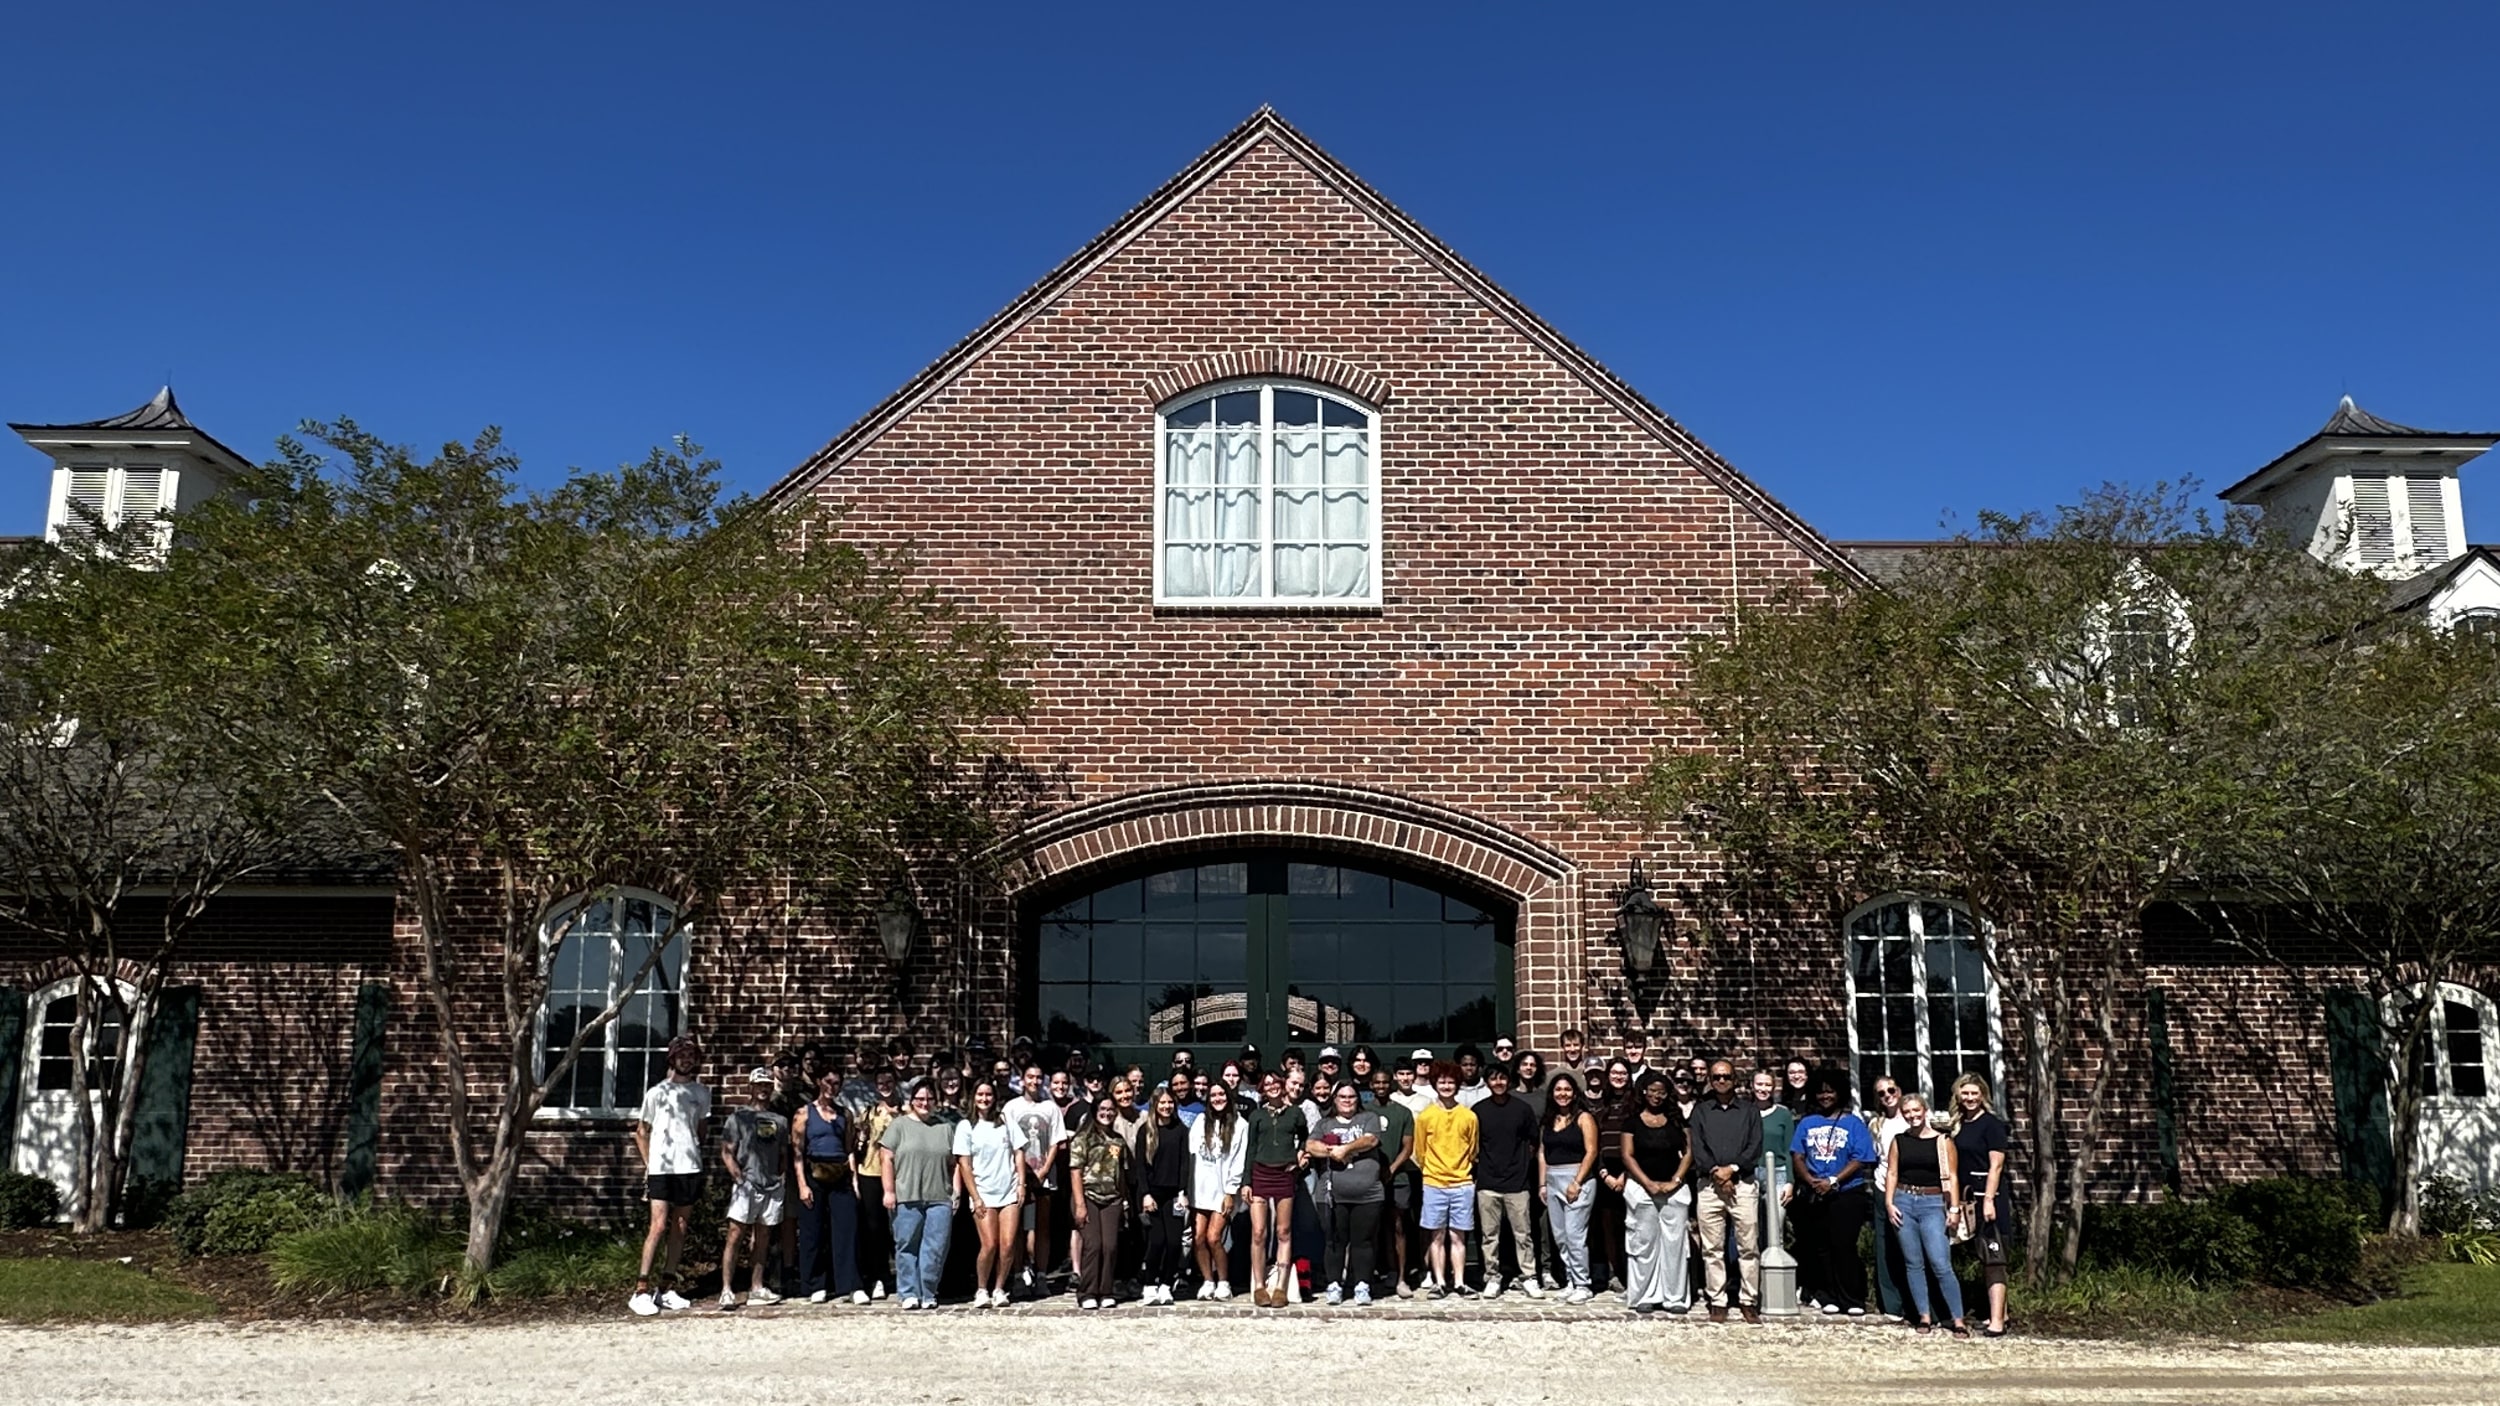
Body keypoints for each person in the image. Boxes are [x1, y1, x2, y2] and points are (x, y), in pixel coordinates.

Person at [630, 1035, 710, 1316]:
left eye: (691, 1056)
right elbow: (641, 1132)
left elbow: (701, 1130)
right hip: (662, 1169)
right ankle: (640, 1289)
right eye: (682, 1055)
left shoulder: (701, 1093)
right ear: (672, 1059)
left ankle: (666, 1287)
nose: (687, 1060)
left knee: (680, 1227)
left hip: (689, 1166)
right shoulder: (657, 1093)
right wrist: (650, 1165)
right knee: (659, 1226)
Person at [1789, 1067, 1875, 1317]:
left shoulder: (1854, 1123)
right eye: (1821, 1092)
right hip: (1815, 1192)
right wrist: (1810, 1179)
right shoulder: (1807, 1123)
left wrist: (1834, 1180)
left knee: (1844, 1245)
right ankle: (1828, 1295)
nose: (1825, 1096)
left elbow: (1861, 1158)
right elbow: (1798, 1155)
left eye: (1830, 1091)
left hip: (1847, 1192)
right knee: (1821, 1247)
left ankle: (1852, 1297)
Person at [1884, 1092, 1969, 1337]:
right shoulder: (1899, 1141)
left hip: (1933, 1203)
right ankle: (1924, 1316)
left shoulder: (1943, 1141)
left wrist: (1954, 1208)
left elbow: (1953, 1175)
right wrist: (1889, 1203)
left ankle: (1958, 1318)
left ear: (1925, 1111)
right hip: (1904, 1200)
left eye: (1916, 1111)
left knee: (1941, 1263)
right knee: (1913, 1263)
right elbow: (1892, 1173)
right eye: (1907, 1112)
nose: (1912, 1116)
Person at [1689, 1058, 1763, 1323]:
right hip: (1709, 1186)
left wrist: (1731, 1169)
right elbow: (1697, 1147)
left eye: (1726, 1077)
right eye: (1717, 1077)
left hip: (1742, 1184)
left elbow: (1754, 1147)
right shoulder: (1701, 1111)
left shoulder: (1749, 1111)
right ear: (1710, 1080)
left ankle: (1748, 1299)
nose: (1721, 1081)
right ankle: (1717, 1300)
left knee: (1748, 1246)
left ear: (1735, 1080)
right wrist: (1717, 1174)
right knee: (1712, 1247)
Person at [1307, 1078, 1386, 1305]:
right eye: (1342, 1097)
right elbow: (1311, 1146)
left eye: (1351, 1096)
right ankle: (1334, 1284)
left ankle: (1362, 1284)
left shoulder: (1368, 1118)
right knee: (1334, 1241)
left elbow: (1371, 1139)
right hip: (1332, 1194)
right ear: (1335, 1099)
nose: (1347, 1101)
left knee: (1363, 1242)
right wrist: (1332, 1151)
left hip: (1367, 1193)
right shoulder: (1325, 1124)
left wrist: (1346, 1148)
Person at [878, 1082, 956, 1311]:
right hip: (907, 1196)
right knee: (907, 1246)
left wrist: (955, 1191)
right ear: (912, 1100)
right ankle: (909, 1293)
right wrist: (889, 1191)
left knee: (935, 1248)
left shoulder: (945, 1128)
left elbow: (955, 1164)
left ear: (935, 1101)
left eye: (929, 1099)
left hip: (939, 1196)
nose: (924, 1103)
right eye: (920, 1099)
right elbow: (886, 1159)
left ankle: (928, 1291)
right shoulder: (899, 1126)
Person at [1619, 1069, 1692, 1314]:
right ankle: (1645, 1295)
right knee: (1644, 1243)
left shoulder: (1676, 1119)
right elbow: (1627, 1155)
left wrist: (1676, 1180)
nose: (1657, 1096)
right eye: (1652, 1091)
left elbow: (1688, 1152)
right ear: (1644, 1092)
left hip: (1673, 1189)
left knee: (1675, 1244)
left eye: (1661, 1092)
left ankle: (1675, 1297)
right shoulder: (1632, 1121)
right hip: (1642, 1189)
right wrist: (1647, 1183)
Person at [717, 1067, 789, 1309]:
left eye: (768, 1085)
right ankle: (726, 1289)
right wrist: (738, 1177)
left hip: (771, 1185)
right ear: (751, 1086)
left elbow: (782, 1153)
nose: (764, 1089)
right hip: (747, 1185)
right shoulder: (738, 1118)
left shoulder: (780, 1121)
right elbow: (727, 1151)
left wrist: (780, 1176)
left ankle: (756, 1286)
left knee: (763, 1237)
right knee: (735, 1234)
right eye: (760, 1084)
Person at [1948, 1072, 2013, 1337]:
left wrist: (1988, 1199)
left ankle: (1997, 1321)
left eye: (1975, 1093)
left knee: (1994, 1258)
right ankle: (2001, 1313)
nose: (1970, 1098)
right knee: (1984, 1257)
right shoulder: (1959, 1124)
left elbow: (1996, 1165)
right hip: (1968, 1197)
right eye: (1965, 1093)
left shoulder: (1992, 1125)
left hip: (1990, 1197)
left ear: (1983, 1095)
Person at [793, 1070, 866, 1305]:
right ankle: (815, 1284)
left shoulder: (845, 1114)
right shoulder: (803, 1114)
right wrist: (802, 1185)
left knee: (847, 1229)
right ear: (818, 1082)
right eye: (828, 1082)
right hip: (814, 1172)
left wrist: (854, 1181)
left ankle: (850, 1284)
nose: (832, 1087)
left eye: (837, 1083)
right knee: (813, 1231)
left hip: (840, 1173)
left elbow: (849, 1150)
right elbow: (797, 1154)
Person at [1471, 1061, 1540, 1299]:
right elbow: (1473, 1145)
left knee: (1524, 1234)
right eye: (1493, 1079)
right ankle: (1492, 1277)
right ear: (1487, 1082)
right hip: (1488, 1182)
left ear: (1509, 1081)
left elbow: (1533, 1142)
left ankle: (1529, 1276)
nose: (1498, 1083)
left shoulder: (1522, 1109)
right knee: (1490, 1236)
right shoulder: (1478, 1111)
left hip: (1517, 1183)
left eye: (1502, 1078)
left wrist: (1521, 1166)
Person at [1001, 1063, 1068, 1298]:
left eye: (1039, 1078)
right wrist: (1023, 1175)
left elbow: (1055, 1143)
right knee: (1018, 1228)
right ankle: (1019, 1274)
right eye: (1030, 1077)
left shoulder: (1050, 1108)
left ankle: (1041, 1275)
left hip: (1044, 1178)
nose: (1035, 1082)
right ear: (1022, 1080)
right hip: (1018, 1177)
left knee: (1042, 1229)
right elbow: (1007, 1142)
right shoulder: (1011, 1107)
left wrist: (1044, 1170)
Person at [1413, 1060, 1479, 1297]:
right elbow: (1420, 1151)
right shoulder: (1426, 1117)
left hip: (1462, 1182)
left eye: (1451, 1082)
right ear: (1434, 1084)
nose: (1446, 1086)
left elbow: (1473, 1150)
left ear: (1458, 1085)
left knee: (1458, 1235)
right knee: (1437, 1234)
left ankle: (1459, 1281)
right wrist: (1433, 1170)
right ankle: (1439, 1281)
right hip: (1434, 1182)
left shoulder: (1469, 1116)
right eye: (1442, 1081)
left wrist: (1461, 1170)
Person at [954, 1077, 1021, 1308]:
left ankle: (1000, 1288)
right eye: (980, 1095)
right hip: (983, 1192)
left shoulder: (1006, 1122)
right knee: (989, 1244)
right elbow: (964, 1164)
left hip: (1009, 1191)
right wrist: (975, 1196)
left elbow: (1019, 1152)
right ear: (974, 1097)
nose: (984, 1099)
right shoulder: (966, 1126)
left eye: (988, 1095)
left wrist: (1021, 1183)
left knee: (1008, 1243)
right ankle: (982, 1289)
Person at [1244, 1070, 1308, 1306]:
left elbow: (1304, 1137)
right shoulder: (1257, 1116)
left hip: (1285, 1173)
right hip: (1261, 1172)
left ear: (1282, 1085)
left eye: (1275, 1083)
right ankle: (1260, 1286)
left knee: (1283, 1231)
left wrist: (1300, 1154)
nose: (1272, 1087)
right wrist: (1246, 1182)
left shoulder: (1295, 1113)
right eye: (1267, 1084)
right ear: (1262, 1089)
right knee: (1259, 1232)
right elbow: (1250, 1148)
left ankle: (1281, 1286)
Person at [1538, 1070, 1600, 1302]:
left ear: (1574, 1093)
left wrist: (1577, 1182)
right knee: (1560, 1236)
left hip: (1577, 1179)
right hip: (1553, 1179)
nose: (1562, 1094)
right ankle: (1571, 1279)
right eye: (1558, 1090)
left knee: (1575, 1234)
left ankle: (1584, 1283)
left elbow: (1592, 1151)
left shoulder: (1584, 1118)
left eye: (1567, 1089)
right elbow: (1543, 1153)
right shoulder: (1548, 1120)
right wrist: (1543, 1184)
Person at [1069, 1093, 1136, 1310]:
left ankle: (1106, 1290)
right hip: (1087, 1196)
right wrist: (1079, 1204)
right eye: (1102, 1109)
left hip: (1113, 1198)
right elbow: (1075, 1172)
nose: (1106, 1113)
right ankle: (1087, 1291)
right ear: (1095, 1112)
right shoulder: (1083, 1139)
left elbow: (1123, 1173)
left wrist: (1124, 1201)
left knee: (1110, 1245)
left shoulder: (1118, 1140)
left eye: (1110, 1110)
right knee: (1093, 1244)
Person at [1188, 1081, 1247, 1299]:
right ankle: (1207, 1280)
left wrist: (1231, 1191)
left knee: (1214, 1237)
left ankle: (1223, 1281)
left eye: (1221, 1094)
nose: (1217, 1099)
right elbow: (1192, 1153)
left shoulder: (1240, 1125)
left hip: (1223, 1190)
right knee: (1199, 1238)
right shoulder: (1201, 1121)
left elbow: (1238, 1161)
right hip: (1199, 1188)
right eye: (1213, 1095)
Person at [1134, 1085, 1191, 1305]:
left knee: (1175, 1242)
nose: (1166, 1106)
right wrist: (1146, 1194)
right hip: (1152, 1193)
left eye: (1170, 1103)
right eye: (1162, 1103)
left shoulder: (1180, 1130)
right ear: (1155, 1105)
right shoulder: (1145, 1130)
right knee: (1157, 1241)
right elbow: (1140, 1165)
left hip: (1174, 1193)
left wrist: (1183, 1192)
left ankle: (1167, 1284)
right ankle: (1149, 1285)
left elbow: (1185, 1163)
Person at [1365, 1065, 1417, 1297]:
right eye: (1377, 1082)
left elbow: (1408, 1146)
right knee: (1370, 1227)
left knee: (1397, 1227)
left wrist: (1392, 1169)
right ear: (1371, 1085)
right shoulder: (1363, 1111)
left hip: (1399, 1178)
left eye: (1385, 1082)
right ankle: (1370, 1275)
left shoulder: (1402, 1112)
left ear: (1391, 1084)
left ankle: (1401, 1276)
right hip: (1369, 1178)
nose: (1381, 1086)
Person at [1865, 1075, 1912, 1319]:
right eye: (1881, 1093)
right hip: (1884, 1188)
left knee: (1912, 1247)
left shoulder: (1912, 1119)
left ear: (1899, 1091)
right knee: (1885, 1247)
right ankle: (1891, 1304)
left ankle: (1916, 1302)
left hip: (1910, 1188)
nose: (1888, 1096)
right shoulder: (1877, 1125)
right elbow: (1876, 1157)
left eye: (1891, 1090)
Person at [853, 1067, 902, 1300]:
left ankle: (902, 1275)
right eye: (880, 1082)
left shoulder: (906, 1111)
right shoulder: (868, 1112)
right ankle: (878, 1277)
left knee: (901, 1227)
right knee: (874, 1229)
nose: (885, 1086)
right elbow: (857, 1146)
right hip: (871, 1173)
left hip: (901, 1174)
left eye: (889, 1081)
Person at [1590, 1056, 1635, 1293]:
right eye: (1614, 1073)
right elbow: (1594, 1146)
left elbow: (1640, 1142)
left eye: (1623, 1073)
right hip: (1606, 1173)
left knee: (1634, 1225)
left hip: (1632, 1173)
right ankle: (1615, 1273)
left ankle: (1633, 1273)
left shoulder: (1636, 1105)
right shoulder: (1601, 1108)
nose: (1619, 1077)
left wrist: (1627, 1175)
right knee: (1609, 1228)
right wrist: (1604, 1173)